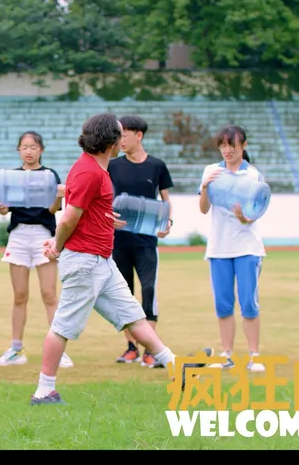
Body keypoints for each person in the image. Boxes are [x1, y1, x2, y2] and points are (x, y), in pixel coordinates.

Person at [32, 112, 188, 406]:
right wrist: (57, 245)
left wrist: (105, 221)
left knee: (133, 317)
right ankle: (43, 391)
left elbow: (86, 211)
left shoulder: (96, 169)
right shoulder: (90, 172)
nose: (123, 138)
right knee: (62, 327)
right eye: (120, 134)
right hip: (85, 263)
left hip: (101, 262)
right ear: (111, 142)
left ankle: (174, 366)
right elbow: (68, 218)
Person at [0, 131, 73, 368]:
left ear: (41, 150)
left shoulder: (49, 176)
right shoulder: (11, 176)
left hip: (43, 236)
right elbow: (4, 210)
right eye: (24, 147)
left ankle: (59, 351)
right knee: (19, 296)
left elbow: (51, 210)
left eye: (33, 147)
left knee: (49, 294)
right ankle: (16, 350)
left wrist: (58, 197)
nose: (29, 151)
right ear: (19, 150)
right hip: (18, 236)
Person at [198, 125, 267, 373]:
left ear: (244, 146)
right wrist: (205, 187)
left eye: (233, 146)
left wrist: (244, 218)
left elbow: (256, 213)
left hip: (247, 247)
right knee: (223, 305)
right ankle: (226, 354)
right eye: (223, 146)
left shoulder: (254, 176)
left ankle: (254, 355)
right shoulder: (211, 171)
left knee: (249, 304)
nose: (227, 151)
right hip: (218, 248)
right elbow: (204, 209)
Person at [108, 115, 174, 368]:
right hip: (118, 241)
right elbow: (106, 199)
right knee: (124, 295)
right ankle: (131, 347)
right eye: (118, 135)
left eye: (125, 134)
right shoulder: (113, 166)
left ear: (139, 136)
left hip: (146, 242)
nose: (120, 140)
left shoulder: (157, 166)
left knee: (148, 291)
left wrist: (168, 223)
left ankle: (151, 350)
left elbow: (166, 200)